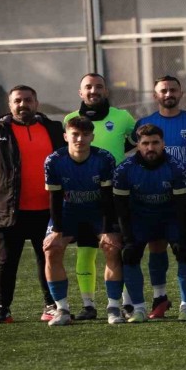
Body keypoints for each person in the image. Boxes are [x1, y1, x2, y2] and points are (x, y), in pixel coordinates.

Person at [0, 85, 65, 324]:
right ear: (10, 104)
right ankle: (2, 308)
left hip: (47, 209)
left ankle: (51, 305)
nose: (23, 104)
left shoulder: (54, 129)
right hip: (9, 209)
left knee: (47, 258)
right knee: (7, 261)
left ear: (36, 103)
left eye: (28, 100)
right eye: (18, 101)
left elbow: (66, 162)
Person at [132, 75, 186, 319]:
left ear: (181, 93)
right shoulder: (144, 123)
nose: (168, 94)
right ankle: (160, 298)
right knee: (156, 247)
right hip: (155, 197)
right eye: (163, 90)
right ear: (155, 95)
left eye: (173, 90)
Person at [63, 73, 136, 320]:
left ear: (106, 91)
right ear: (80, 92)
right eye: (88, 87)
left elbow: (136, 141)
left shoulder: (123, 117)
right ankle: (88, 305)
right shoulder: (70, 119)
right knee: (86, 251)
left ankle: (125, 302)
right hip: (83, 196)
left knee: (116, 249)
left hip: (115, 195)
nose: (93, 91)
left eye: (98, 87)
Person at [43, 116, 123, 326]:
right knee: (51, 250)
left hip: (97, 211)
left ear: (92, 137)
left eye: (85, 135)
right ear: (66, 136)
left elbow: (107, 197)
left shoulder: (104, 158)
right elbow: (55, 197)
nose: (80, 139)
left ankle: (114, 307)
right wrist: (57, 231)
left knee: (112, 248)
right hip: (68, 211)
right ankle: (62, 309)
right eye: (75, 134)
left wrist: (107, 230)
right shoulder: (54, 160)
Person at [113, 124, 186, 322]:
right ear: (138, 145)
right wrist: (128, 238)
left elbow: (182, 206)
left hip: (169, 217)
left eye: (155, 143)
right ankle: (139, 309)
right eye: (145, 143)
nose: (150, 147)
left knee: (185, 251)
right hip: (139, 219)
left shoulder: (176, 167)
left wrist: (183, 236)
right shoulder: (124, 169)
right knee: (130, 255)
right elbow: (121, 207)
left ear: (163, 143)